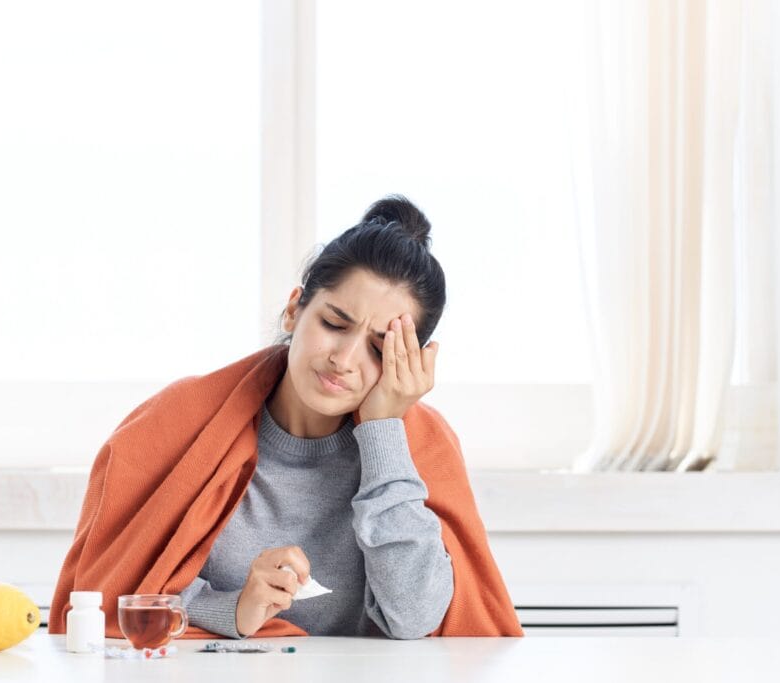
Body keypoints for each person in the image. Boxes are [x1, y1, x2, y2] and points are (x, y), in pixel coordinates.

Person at [48, 195, 523, 640]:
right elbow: (112, 596)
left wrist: (383, 432)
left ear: (409, 362)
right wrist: (232, 609)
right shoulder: (175, 424)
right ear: (295, 308)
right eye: (334, 324)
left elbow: (415, 619)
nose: (344, 358)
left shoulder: (420, 447)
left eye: (379, 348)